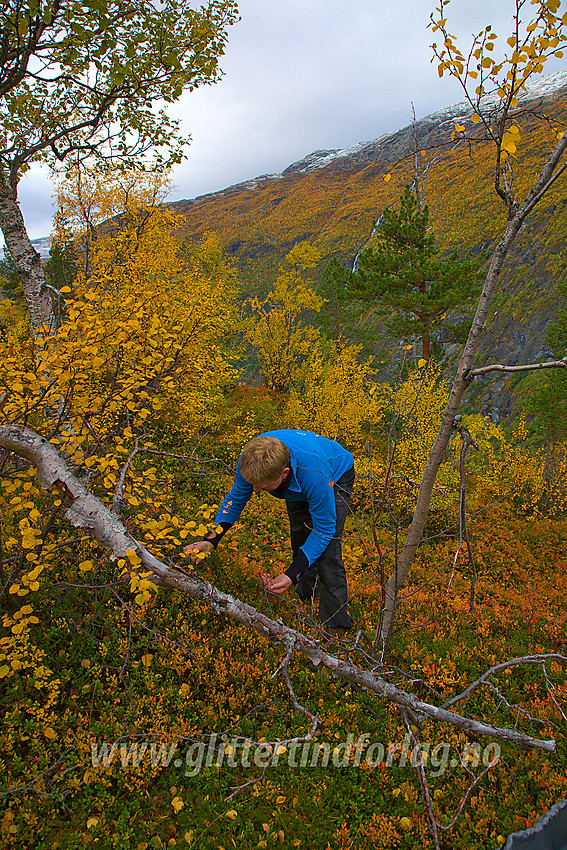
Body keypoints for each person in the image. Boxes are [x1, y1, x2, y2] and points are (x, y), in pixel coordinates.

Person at [184, 430, 354, 632]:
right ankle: (308, 594)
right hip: (298, 474)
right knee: (300, 535)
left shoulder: (315, 476)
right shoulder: (250, 459)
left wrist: (290, 573)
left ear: (284, 474)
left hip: (335, 473)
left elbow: (324, 530)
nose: (254, 490)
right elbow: (236, 499)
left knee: (328, 552)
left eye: (260, 486)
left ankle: (336, 625)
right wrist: (211, 540)